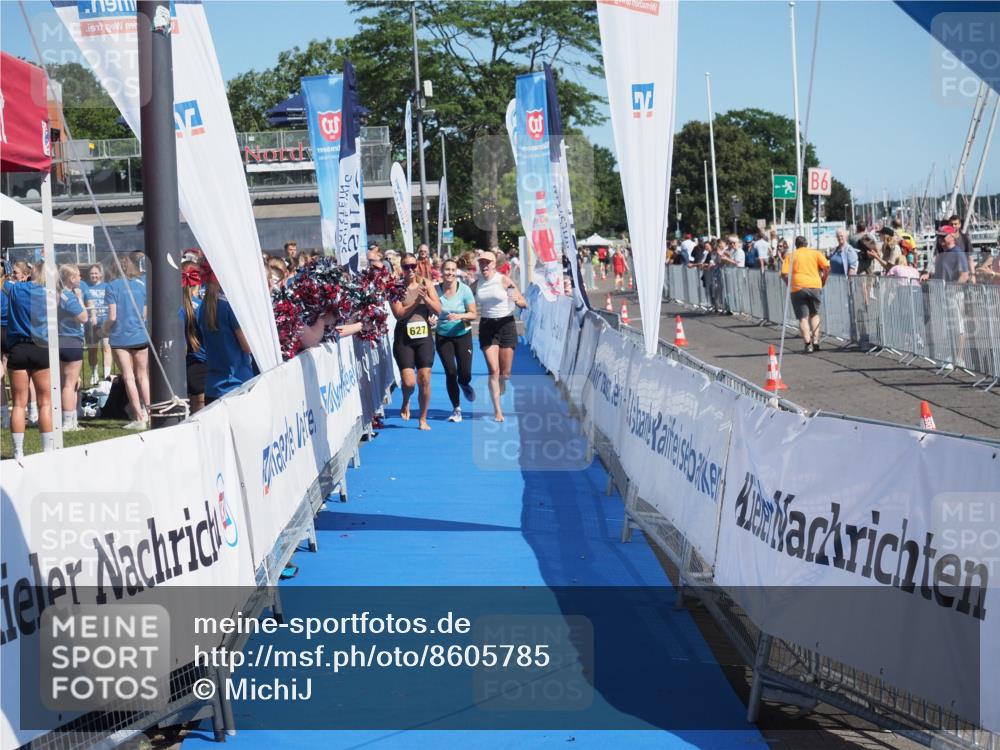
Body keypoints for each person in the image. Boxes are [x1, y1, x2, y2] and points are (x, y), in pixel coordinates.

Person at [3, 261, 55, 458]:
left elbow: (5, 281)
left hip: (18, 347)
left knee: (18, 403)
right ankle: (48, 451)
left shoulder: (16, 289)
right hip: (41, 347)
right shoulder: (49, 294)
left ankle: (18, 452)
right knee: (45, 403)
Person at [475, 250, 527, 422]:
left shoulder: (503, 280)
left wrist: (517, 301)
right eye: (481, 262)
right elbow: (462, 295)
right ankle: (498, 411)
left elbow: (521, 301)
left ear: (494, 264)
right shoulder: (477, 283)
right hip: (487, 326)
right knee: (493, 370)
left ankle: (502, 381)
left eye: (487, 262)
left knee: (505, 373)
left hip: (506, 325)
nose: (484, 265)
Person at [391, 252, 441, 430]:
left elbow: (438, 309)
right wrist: (416, 301)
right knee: (409, 383)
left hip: (424, 337)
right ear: (402, 268)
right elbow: (399, 314)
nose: (410, 269)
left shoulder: (426, 284)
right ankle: (406, 399)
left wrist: (425, 298)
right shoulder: (396, 287)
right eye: (406, 267)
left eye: (413, 266)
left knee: (425, 378)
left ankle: (423, 418)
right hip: (404, 338)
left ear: (418, 266)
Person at [198, 261, 254, 404]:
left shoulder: (202, 307)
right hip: (237, 386)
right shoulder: (230, 308)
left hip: (213, 388)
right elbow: (248, 346)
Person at [105, 255, 149, 429]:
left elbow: (112, 316)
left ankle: (139, 418)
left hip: (120, 336)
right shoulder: (140, 285)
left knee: (129, 377)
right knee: (143, 376)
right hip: (140, 335)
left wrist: (103, 330)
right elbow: (144, 313)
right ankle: (151, 413)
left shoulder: (112, 286)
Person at [435, 258, 477, 422]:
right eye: (447, 269)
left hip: (462, 334)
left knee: (464, 373)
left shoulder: (464, 290)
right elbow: (429, 310)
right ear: (442, 271)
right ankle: (456, 409)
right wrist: (431, 319)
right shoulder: (435, 290)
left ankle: (464, 384)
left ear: (456, 271)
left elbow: (473, 314)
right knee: (450, 372)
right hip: (443, 336)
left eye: (453, 270)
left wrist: (459, 316)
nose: (450, 273)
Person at [781, 235, 830, 353]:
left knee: (803, 318)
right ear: (806, 244)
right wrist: (823, 279)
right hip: (814, 285)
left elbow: (783, 273)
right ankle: (816, 341)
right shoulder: (816, 253)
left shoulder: (791, 256)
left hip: (798, 287)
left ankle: (808, 344)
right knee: (814, 314)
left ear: (796, 245)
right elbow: (827, 267)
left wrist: (789, 284)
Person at [57, 265, 88, 432]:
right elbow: (84, 317)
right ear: (70, 278)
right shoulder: (69, 296)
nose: (81, 278)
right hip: (71, 340)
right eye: (78, 276)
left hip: (59, 340)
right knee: (69, 384)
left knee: (68, 383)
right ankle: (68, 422)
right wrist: (80, 298)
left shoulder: (57, 294)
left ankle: (72, 420)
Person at [179, 261, 207, 413]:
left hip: (183, 367)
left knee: (189, 411)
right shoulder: (203, 308)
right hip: (203, 365)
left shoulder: (176, 307)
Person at [82, 264, 111, 384]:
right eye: (91, 273)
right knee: (92, 349)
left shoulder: (107, 286)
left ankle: (107, 376)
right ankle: (94, 374)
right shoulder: (85, 287)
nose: (94, 275)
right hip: (90, 322)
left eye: (96, 273)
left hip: (104, 320)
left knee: (106, 348)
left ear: (100, 274)